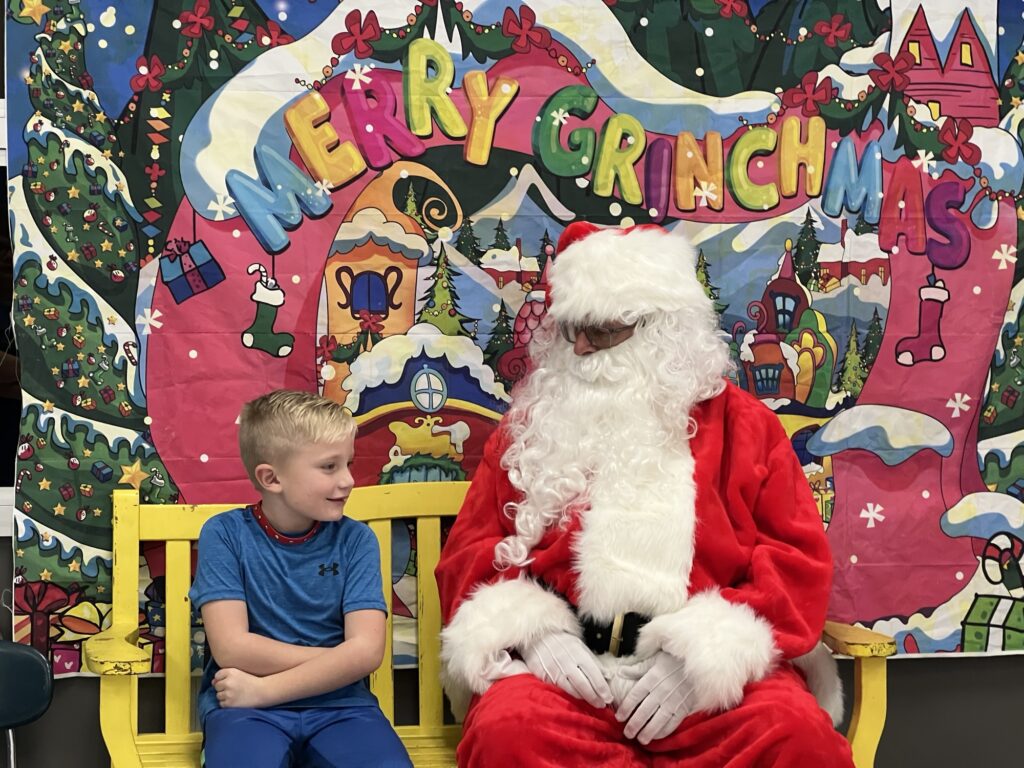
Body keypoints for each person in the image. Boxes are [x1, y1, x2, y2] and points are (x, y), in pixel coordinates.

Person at [435, 222, 854, 767]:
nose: (582, 347)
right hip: (569, 678)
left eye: (604, 330)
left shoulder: (746, 429)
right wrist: (532, 635)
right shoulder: (527, 434)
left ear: (664, 331)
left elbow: (795, 561)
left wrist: (705, 655)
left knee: (796, 735)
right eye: (571, 330)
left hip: (705, 687)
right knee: (507, 733)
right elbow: (472, 550)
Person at [190, 390, 411, 768]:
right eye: (329, 467)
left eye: (348, 464)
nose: (348, 480)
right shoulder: (224, 535)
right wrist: (339, 662)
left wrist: (264, 689)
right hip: (242, 710)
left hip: (337, 705)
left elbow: (367, 652)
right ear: (271, 478)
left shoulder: (357, 540)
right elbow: (232, 649)